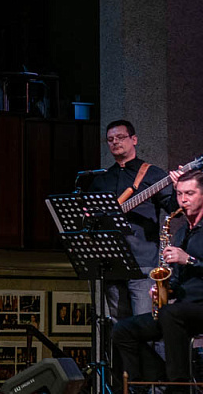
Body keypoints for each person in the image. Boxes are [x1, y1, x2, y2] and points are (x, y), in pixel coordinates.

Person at [111, 168, 203, 392]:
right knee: (122, 329)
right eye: (180, 193)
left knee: (170, 314)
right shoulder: (181, 233)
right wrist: (165, 289)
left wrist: (189, 260)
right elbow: (180, 282)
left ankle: (177, 387)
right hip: (181, 312)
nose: (183, 199)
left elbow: (190, 264)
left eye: (189, 193)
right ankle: (149, 381)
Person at [88, 120, 173, 320]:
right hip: (112, 263)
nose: (115, 142)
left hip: (143, 263)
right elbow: (89, 218)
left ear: (133, 140)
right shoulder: (102, 180)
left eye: (120, 137)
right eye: (110, 139)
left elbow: (173, 207)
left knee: (144, 326)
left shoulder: (153, 174)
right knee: (119, 330)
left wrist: (179, 187)